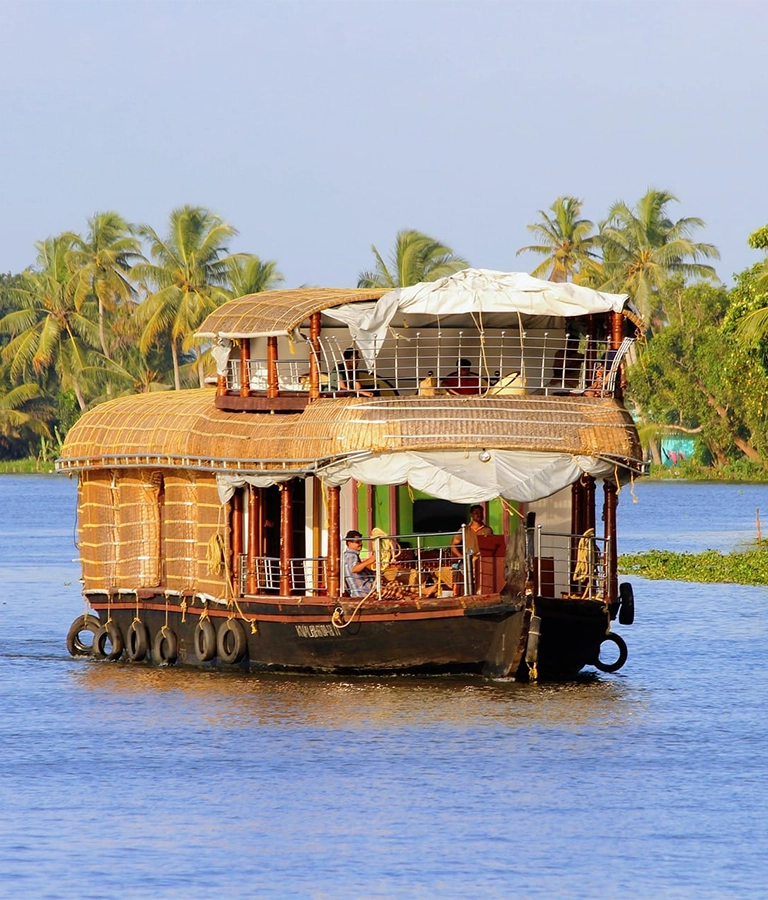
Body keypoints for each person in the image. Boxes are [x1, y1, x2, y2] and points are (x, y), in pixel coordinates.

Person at [343, 530, 376, 596]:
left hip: (366, 589)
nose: (360, 543)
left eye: (361, 541)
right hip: (363, 592)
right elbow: (354, 569)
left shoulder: (351, 555)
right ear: (349, 543)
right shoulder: (351, 555)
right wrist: (370, 560)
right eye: (357, 542)